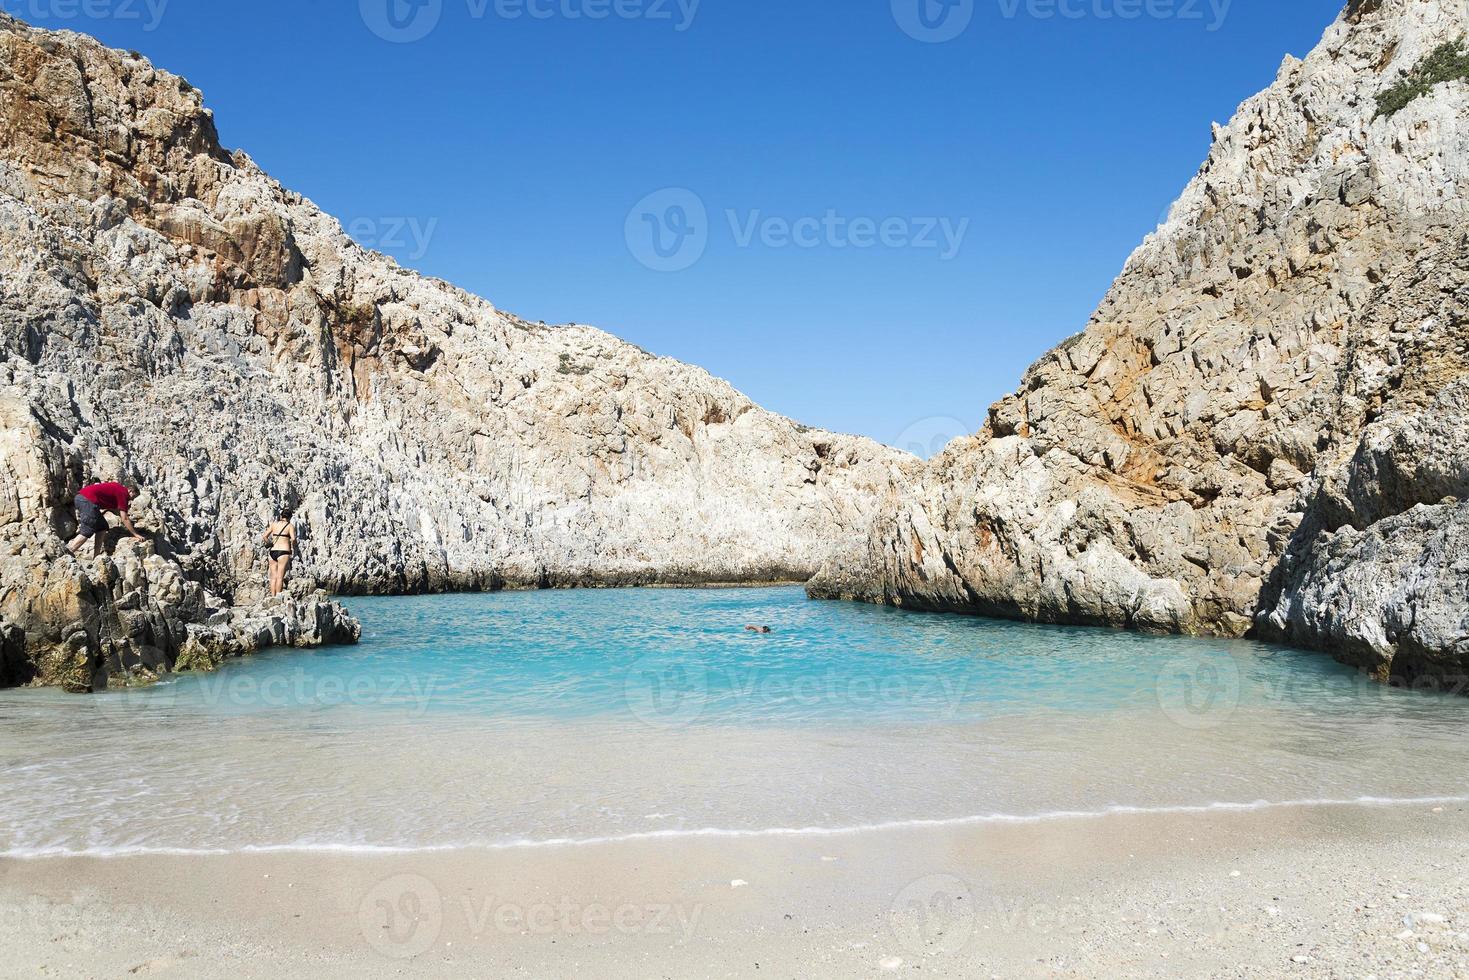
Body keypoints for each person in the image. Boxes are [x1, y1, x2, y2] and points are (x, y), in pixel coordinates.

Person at [68, 481, 145, 558]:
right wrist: (135, 534)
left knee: (102, 527)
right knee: (88, 528)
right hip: (86, 500)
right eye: (134, 496)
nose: (132, 499)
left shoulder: (118, 488)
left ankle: (96, 557)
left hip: (82, 498)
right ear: (130, 491)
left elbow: (110, 505)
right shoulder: (123, 493)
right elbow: (124, 517)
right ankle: (68, 552)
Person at [263, 506, 297, 597]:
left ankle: (273, 597)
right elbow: (293, 539)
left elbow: (264, 536)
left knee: (273, 577)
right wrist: (293, 548)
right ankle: (278, 598)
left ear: (281, 516)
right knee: (280, 577)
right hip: (283, 551)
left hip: (273, 551)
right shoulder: (290, 526)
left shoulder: (274, 524)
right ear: (290, 517)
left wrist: (269, 543)